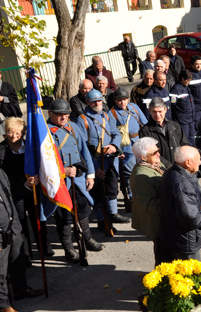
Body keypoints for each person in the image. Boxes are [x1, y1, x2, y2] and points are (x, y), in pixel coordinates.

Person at [45, 98, 103, 261]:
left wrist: (90, 174)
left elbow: (85, 151)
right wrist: (63, 171)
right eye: (59, 115)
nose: (63, 118)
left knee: (83, 209)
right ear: (50, 114)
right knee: (64, 216)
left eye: (66, 114)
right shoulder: (46, 132)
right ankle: (68, 247)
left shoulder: (74, 126)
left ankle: (87, 238)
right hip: (60, 182)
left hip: (77, 179)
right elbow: (44, 163)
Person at [76, 89, 130, 232]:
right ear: (87, 103)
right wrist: (93, 169)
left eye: (99, 100)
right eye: (94, 101)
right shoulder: (82, 120)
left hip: (109, 160)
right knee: (98, 194)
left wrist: (113, 145)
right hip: (94, 162)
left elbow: (116, 133)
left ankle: (113, 214)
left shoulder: (106, 115)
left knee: (112, 188)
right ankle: (102, 220)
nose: (97, 103)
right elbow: (82, 148)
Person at [158, 146, 201, 263]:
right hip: (185, 240)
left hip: (175, 236)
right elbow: (191, 219)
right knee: (190, 276)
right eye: (199, 159)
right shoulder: (182, 185)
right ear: (188, 162)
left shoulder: (171, 171)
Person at [0, 168, 36, 312]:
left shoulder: (1, 172)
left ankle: (20, 289)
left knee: (18, 259)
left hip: (12, 227)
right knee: (0, 270)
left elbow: (12, 194)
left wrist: (27, 185)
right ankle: (3, 305)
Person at [109, 87, 148, 213]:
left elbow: (145, 123)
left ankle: (141, 196)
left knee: (142, 171)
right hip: (125, 147)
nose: (122, 102)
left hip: (138, 143)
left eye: (125, 99)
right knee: (130, 174)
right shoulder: (112, 113)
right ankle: (132, 198)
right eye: (119, 100)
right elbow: (112, 133)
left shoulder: (134, 108)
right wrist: (118, 150)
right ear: (115, 101)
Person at [130, 137, 165, 264]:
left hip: (162, 221)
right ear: (143, 157)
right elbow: (150, 206)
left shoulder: (154, 165)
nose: (158, 154)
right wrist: (173, 205)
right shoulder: (141, 176)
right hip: (158, 224)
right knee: (163, 256)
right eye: (154, 153)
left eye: (158, 151)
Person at [139, 97, 187, 168]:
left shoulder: (174, 126)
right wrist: (168, 166)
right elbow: (150, 153)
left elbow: (184, 145)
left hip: (178, 167)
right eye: (154, 112)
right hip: (160, 168)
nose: (157, 115)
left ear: (165, 110)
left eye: (160, 111)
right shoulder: (145, 131)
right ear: (150, 111)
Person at [170, 70, 197, 145]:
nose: (189, 82)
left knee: (192, 137)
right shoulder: (175, 89)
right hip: (182, 120)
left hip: (190, 119)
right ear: (182, 79)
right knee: (185, 139)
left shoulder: (187, 88)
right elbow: (173, 104)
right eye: (187, 80)